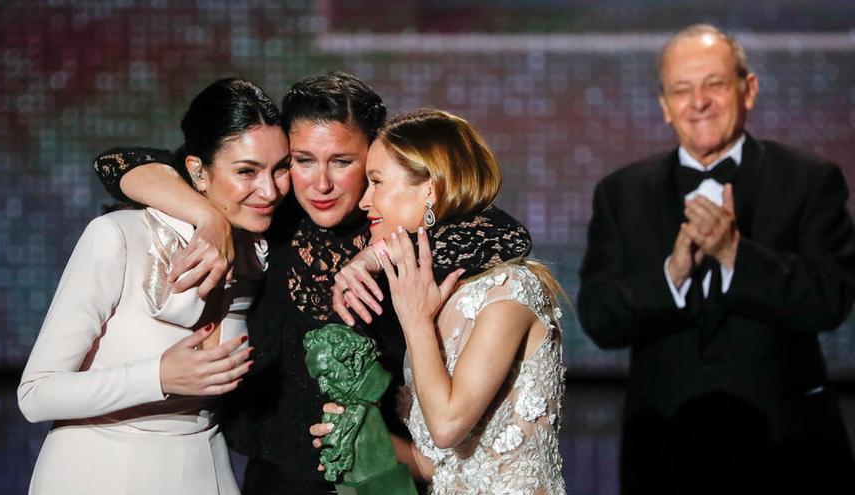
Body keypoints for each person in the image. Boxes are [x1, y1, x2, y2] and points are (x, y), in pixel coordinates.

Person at [92, 72, 534, 494]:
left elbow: (507, 233)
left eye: (342, 162)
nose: (320, 183)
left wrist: (373, 255)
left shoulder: (397, 223)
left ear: (375, 158)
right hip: (274, 476)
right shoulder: (270, 212)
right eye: (303, 161)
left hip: (385, 475)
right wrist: (206, 215)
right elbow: (120, 163)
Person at [577, 24, 855, 494]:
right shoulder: (621, 193)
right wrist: (671, 276)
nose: (698, 102)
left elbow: (830, 301)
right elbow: (599, 318)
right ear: (665, 106)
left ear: (749, 90)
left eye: (714, 84)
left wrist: (734, 254)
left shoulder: (809, 180)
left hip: (787, 454)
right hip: (663, 454)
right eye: (681, 90)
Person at [18, 78, 291, 494]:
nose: (269, 190)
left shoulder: (261, 253)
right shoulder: (119, 237)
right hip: (94, 473)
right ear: (198, 171)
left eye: (281, 168)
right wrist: (158, 376)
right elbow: (35, 395)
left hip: (205, 471)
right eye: (246, 171)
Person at [314, 109, 567, 494]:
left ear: (429, 189)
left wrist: (415, 322)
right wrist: (361, 432)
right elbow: (440, 465)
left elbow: (448, 426)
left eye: (376, 182)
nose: (364, 201)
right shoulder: (430, 290)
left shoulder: (511, 289)